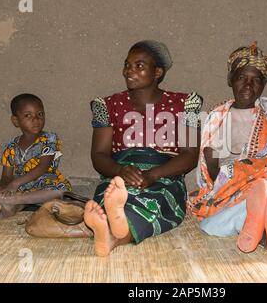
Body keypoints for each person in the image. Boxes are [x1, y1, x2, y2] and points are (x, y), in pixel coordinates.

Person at [84, 40, 203, 256]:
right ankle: (113, 234)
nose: (129, 71)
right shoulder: (106, 105)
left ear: (158, 72)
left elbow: (190, 156)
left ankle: (111, 232)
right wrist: (120, 171)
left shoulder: (186, 104)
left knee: (156, 200)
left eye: (139, 66)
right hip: (120, 175)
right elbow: (99, 155)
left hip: (164, 176)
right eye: (127, 65)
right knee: (113, 193)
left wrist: (153, 175)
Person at [187, 41, 267, 263]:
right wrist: (225, 169)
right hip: (232, 191)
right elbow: (212, 175)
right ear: (230, 80)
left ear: (264, 84)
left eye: (256, 80)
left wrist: (255, 175)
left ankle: (259, 222)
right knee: (211, 225)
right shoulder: (217, 118)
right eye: (242, 78)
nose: (248, 85)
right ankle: (265, 227)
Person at [0, 93, 72, 230]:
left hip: (48, 186)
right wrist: (5, 188)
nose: (36, 119)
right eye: (28, 115)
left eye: (40, 114)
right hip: (24, 190)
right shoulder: (11, 147)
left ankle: (14, 200)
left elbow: (43, 167)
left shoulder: (49, 139)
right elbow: (6, 176)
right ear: (15, 121)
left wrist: (14, 186)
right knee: (9, 207)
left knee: (60, 193)